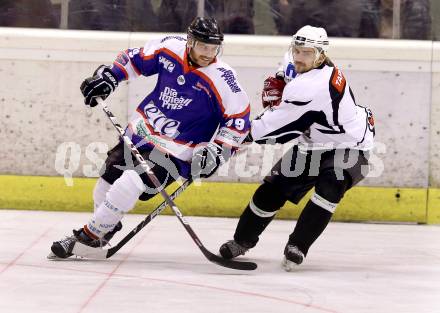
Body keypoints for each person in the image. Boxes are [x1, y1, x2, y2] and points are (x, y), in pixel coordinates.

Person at [50, 17, 251, 259]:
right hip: (143, 132)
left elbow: (239, 121)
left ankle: (87, 236)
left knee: (130, 183)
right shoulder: (169, 48)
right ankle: (105, 229)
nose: (208, 53)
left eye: (213, 48)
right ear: (189, 42)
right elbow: (133, 59)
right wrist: (110, 78)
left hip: (178, 150)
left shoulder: (223, 78)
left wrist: (218, 151)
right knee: (106, 182)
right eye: (202, 46)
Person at [219, 25, 375, 271]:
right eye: (297, 51)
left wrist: (242, 135)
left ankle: (298, 246)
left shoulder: (317, 85)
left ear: (321, 56)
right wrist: (279, 80)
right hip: (313, 143)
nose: (299, 58)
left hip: (350, 144)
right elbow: (285, 71)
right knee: (272, 191)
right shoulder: (297, 62)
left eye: (307, 53)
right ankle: (242, 241)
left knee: (330, 185)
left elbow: (281, 129)